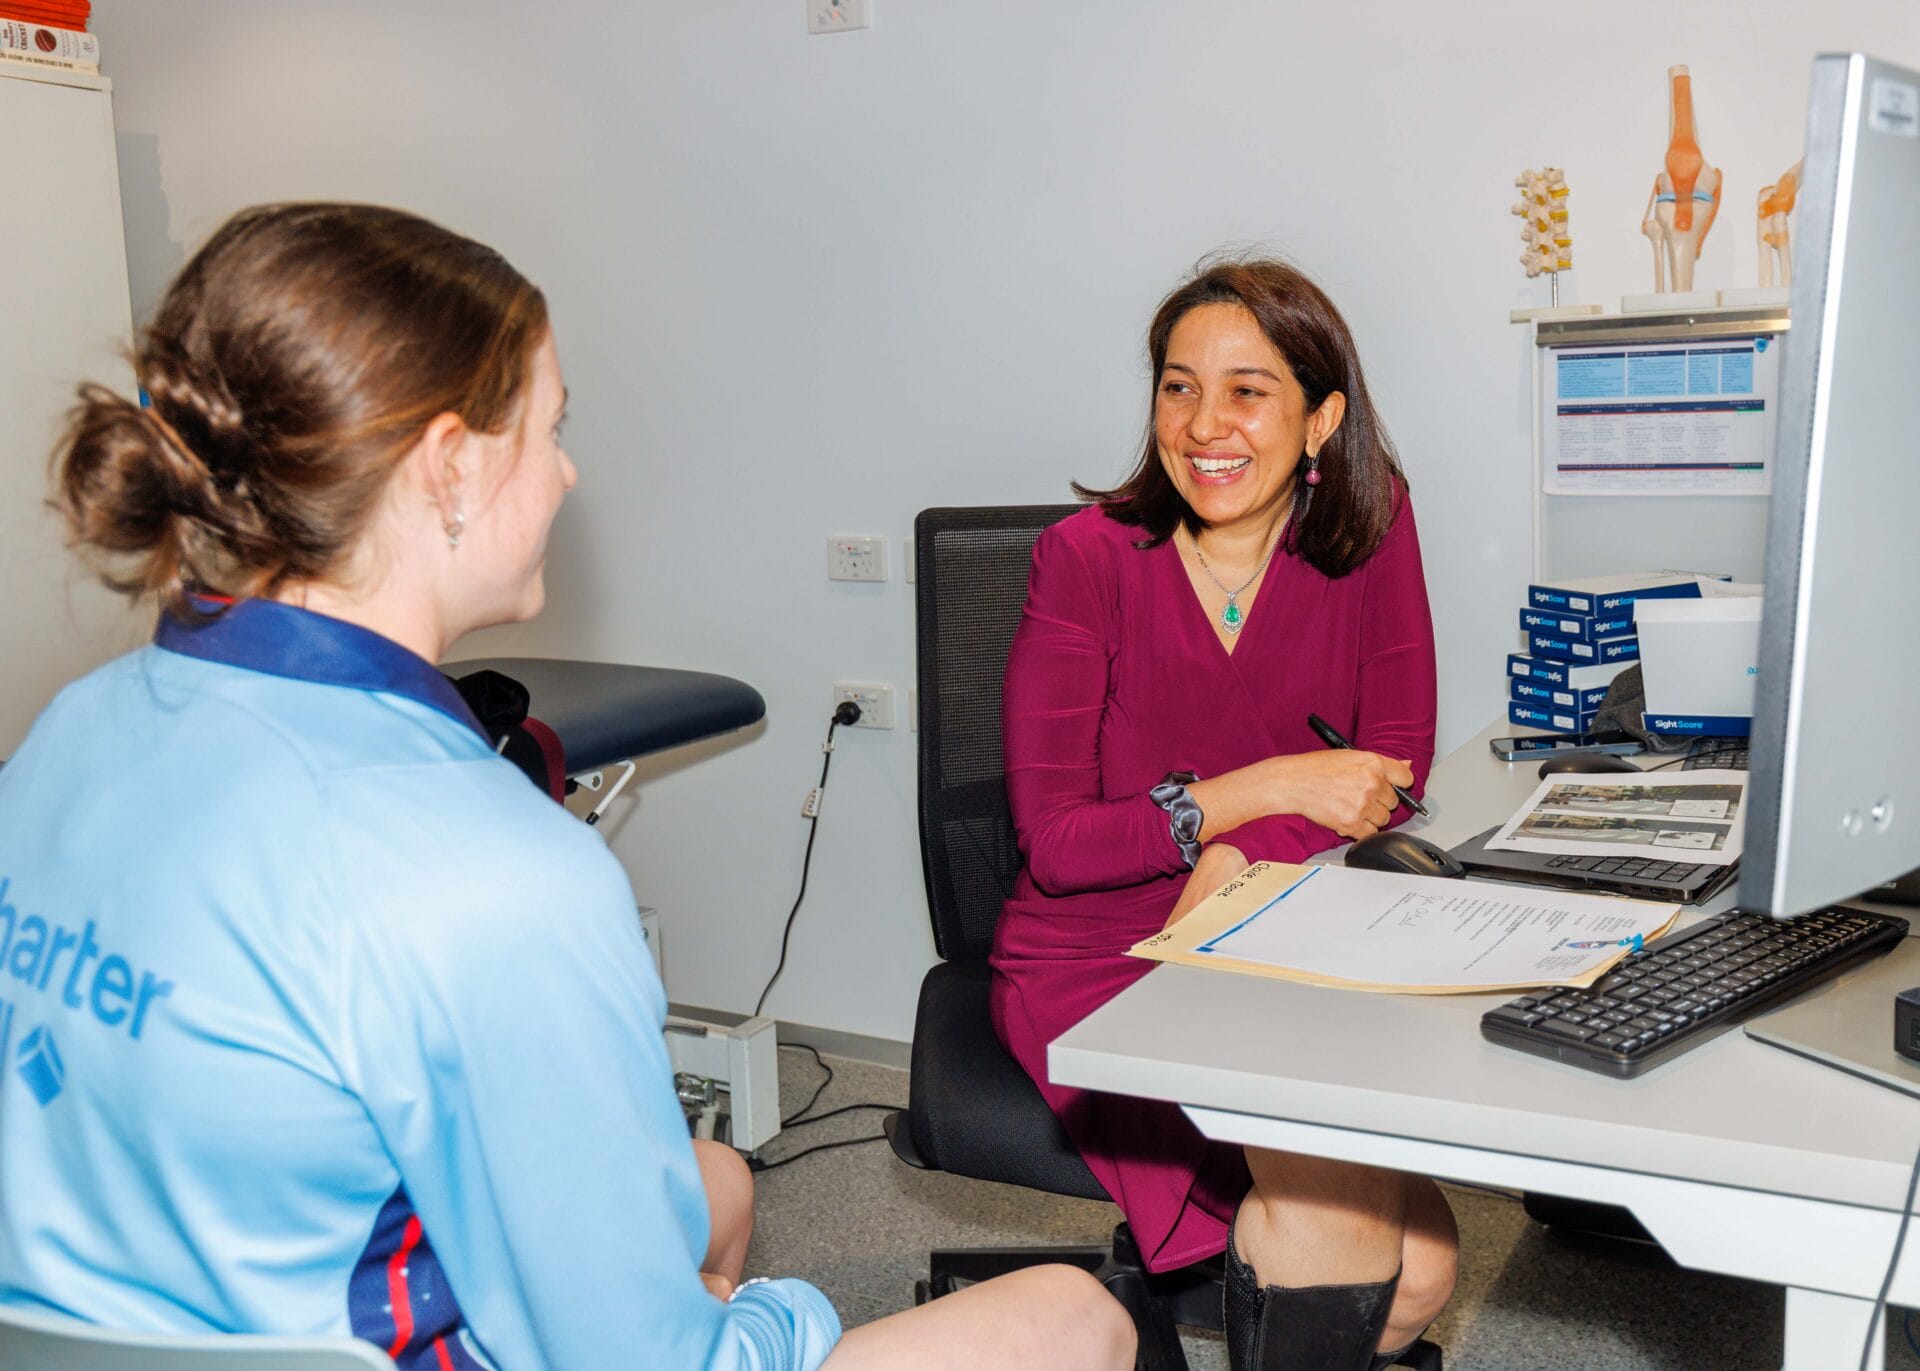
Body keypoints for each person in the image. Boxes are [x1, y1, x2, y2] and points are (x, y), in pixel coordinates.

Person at [0, 203, 1133, 1371]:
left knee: (720, 1180)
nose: (567, 472)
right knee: (1072, 1316)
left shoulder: (69, 732)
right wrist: (792, 1319)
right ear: (448, 467)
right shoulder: (495, 872)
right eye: (550, 429)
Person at [989, 258, 1458, 1371]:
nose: (1206, 424)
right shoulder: (1086, 559)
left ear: (1318, 418)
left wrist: (1249, 856)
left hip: (1276, 926)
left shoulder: (1372, 530)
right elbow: (1054, 842)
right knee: (1337, 1235)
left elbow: (1392, 764)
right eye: (1178, 385)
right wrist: (1265, 789)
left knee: (1426, 1269)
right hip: (1102, 949)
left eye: (1249, 390)